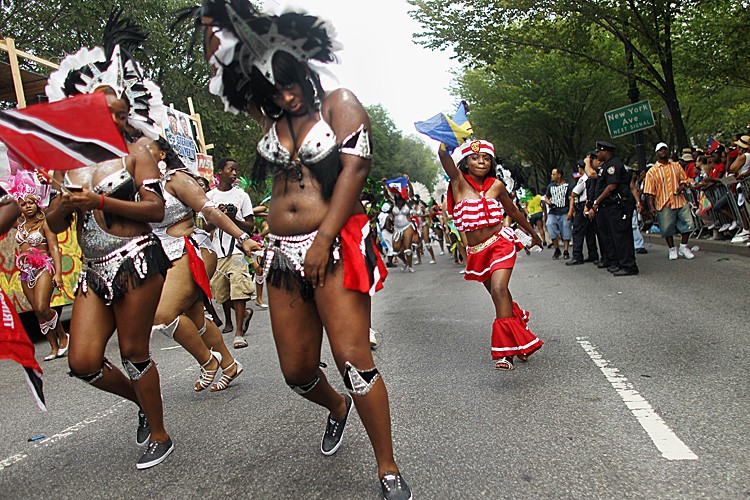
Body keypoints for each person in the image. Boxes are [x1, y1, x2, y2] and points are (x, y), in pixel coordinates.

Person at [192, 5, 410, 498]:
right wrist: (214, 18)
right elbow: (223, 63)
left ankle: (387, 467)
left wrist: (323, 240)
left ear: (305, 71)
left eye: (291, 83)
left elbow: (354, 172)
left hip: (332, 245)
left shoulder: (339, 102)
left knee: (353, 358)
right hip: (280, 255)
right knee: (296, 371)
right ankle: (336, 407)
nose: (285, 95)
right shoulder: (268, 117)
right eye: (273, 89)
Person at [44, 11, 174, 469]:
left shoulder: (137, 152)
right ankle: (141, 402)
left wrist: (99, 203)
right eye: (106, 114)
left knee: (135, 351)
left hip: (137, 258)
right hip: (93, 270)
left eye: (120, 116)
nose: (115, 122)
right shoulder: (67, 164)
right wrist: (64, 204)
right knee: (82, 362)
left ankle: (159, 433)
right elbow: (56, 225)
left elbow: (157, 211)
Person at [143, 137, 259, 391]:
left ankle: (208, 361)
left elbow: (210, 211)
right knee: (195, 318)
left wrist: (243, 237)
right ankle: (229, 365)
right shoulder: (140, 186)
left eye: (145, 148)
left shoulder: (176, 179)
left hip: (191, 250)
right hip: (160, 257)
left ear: (162, 153)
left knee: (162, 315)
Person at [439, 139, 544, 371]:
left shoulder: (496, 185)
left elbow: (513, 210)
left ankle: (506, 353)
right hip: (477, 251)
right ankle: (520, 335)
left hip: (500, 242)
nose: (481, 161)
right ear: (465, 163)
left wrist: (532, 233)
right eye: (475, 158)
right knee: (500, 294)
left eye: (486, 158)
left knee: (498, 289)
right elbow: (443, 155)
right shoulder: (458, 183)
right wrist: (449, 137)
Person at [5, 173, 69, 360]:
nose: (28, 206)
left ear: (37, 203)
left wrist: (58, 273)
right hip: (25, 272)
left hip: (43, 268)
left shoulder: (45, 223)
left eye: (31, 202)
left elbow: (55, 248)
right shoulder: (20, 224)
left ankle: (64, 336)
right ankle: (53, 346)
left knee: (43, 307)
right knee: (37, 312)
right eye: (24, 204)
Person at [204, 158, 256, 348]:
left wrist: (234, 218)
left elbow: (250, 225)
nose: (234, 173)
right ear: (219, 172)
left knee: (238, 288)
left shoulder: (241, 196)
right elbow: (205, 225)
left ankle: (239, 333)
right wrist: (218, 215)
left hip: (236, 249)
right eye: (230, 170)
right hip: (216, 250)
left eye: (236, 170)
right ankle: (234, 318)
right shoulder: (209, 197)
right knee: (222, 291)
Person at [588, 141, 639, 276]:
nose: (597, 154)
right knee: (615, 236)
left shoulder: (613, 165)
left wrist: (597, 202)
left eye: (599, 151)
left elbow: (611, 187)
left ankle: (629, 266)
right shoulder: (607, 165)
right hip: (611, 207)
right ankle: (620, 263)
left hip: (618, 206)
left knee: (621, 236)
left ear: (605, 151)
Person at [643, 143, 696, 260]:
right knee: (667, 228)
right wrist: (651, 207)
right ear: (656, 153)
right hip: (663, 202)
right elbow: (649, 192)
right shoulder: (652, 172)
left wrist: (682, 186)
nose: (663, 152)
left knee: (688, 223)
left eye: (664, 149)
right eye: (660, 150)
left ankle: (683, 246)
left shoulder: (676, 166)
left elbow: (684, 179)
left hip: (679, 201)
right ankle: (672, 249)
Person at [566, 159, 599, 265]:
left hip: (583, 206)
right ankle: (593, 254)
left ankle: (577, 255)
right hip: (589, 205)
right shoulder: (590, 177)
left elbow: (574, 193)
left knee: (577, 231)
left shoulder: (584, 179)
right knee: (589, 232)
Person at [382, 177, 416, 272]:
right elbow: (387, 195)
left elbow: (411, 193)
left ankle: (410, 266)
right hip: (397, 228)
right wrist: (385, 185)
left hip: (407, 226)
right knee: (396, 250)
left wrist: (408, 182)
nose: (400, 201)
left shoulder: (408, 204)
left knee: (407, 248)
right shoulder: (394, 204)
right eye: (398, 199)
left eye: (401, 199)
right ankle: (405, 262)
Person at [544, 167, 572, 259]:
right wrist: (549, 203)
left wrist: (570, 211)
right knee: (550, 226)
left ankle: (566, 250)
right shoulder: (550, 186)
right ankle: (557, 249)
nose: (552, 176)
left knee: (566, 229)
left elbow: (570, 198)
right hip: (553, 211)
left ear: (559, 175)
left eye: (553, 174)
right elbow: (546, 197)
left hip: (564, 210)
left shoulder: (567, 186)